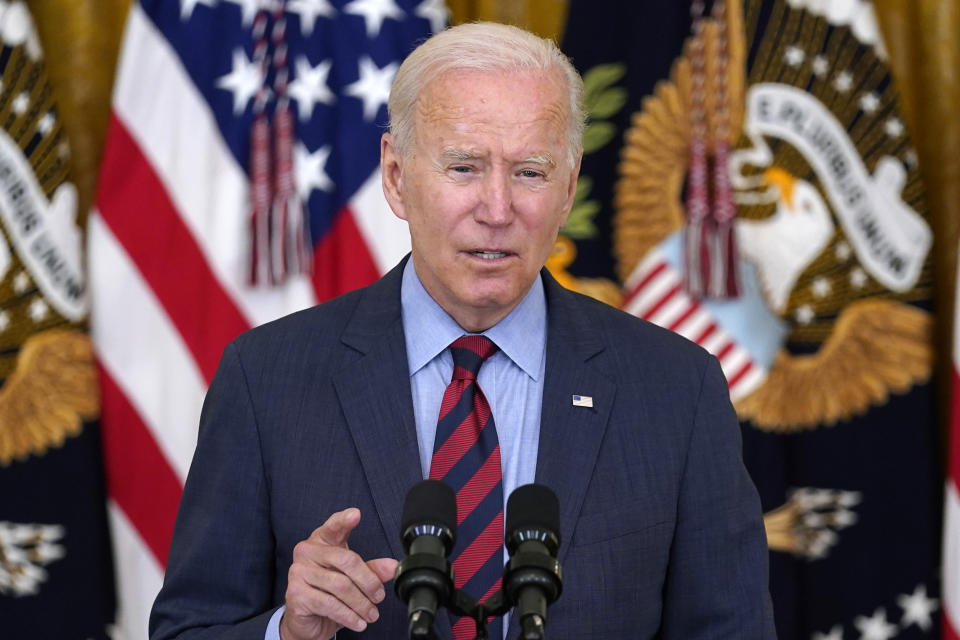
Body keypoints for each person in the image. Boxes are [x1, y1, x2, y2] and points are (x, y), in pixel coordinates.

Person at [149, 22, 776, 640]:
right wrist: (289, 632)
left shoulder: (675, 390)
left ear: (568, 186)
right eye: (465, 168)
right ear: (396, 176)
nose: (498, 209)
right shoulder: (267, 380)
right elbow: (187, 629)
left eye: (530, 172)